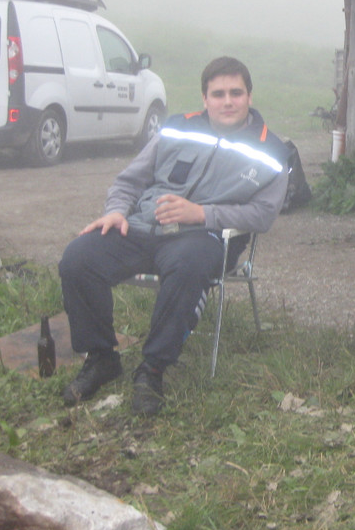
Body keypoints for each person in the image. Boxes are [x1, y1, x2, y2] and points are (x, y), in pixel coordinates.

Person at [58, 57, 290, 415]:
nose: (227, 101)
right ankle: (102, 358)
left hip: (205, 238)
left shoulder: (272, 150)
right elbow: (129, 180)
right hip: (141, 228)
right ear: (204, 98)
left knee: (188, 267)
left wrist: (202, 214)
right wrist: (117, 211)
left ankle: (152, 370)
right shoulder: (176, 128)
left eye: (235, 93)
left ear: (249, 96)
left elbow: (262, 214)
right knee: (78, 258)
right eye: (218, 94)